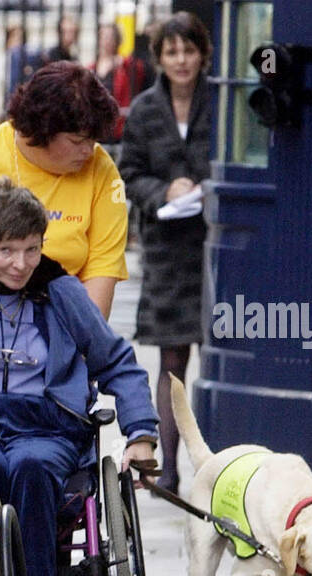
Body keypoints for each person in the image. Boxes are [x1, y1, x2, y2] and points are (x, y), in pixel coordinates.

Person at [0, 177, 157, 576]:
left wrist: (142, 433)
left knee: (32, 468)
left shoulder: (62, 293)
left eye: (31, 249)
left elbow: (117, 362)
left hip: (49, 430)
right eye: (6, 251)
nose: (20, 264)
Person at [0, 61, 127, 319]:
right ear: (41, 130)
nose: (89, 151)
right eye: (78, 141)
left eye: (93, 141)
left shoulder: (100, 168)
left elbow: (101, 275)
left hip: (64, 327)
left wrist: (80, 350)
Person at [117, 12, 213, 494]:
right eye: (172, 51)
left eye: (189, 50)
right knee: (171, 363)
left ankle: (219, 469)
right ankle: (166, 472)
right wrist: (163, 191)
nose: (181, 60)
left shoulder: (220, 101)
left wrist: (207, 186)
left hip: (216, 244)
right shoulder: (144, 110)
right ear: (158, 57)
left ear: (203, 54)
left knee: (219, 358)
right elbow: (129, 174)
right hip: (166, 249)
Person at [92, 22, 151, 148]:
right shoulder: (92, 67)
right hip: (96, 127)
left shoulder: (126, 65)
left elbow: (141, 71)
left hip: (119, 127)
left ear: (117, 40)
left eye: (110, 37)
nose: (106, 41)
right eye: (104, 36)